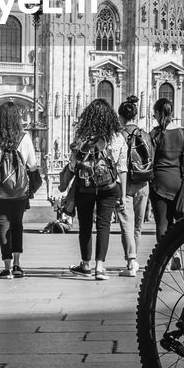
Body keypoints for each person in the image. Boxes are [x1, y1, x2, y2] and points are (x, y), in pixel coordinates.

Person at [64, 98, 128, 281]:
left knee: (85, 226)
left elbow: (72, 165)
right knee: (104, 225)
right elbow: (122, 167)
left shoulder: (82, 137)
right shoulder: (116, 137)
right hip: (109, 186)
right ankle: (100, 267)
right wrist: (123, 195)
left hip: (85, 187)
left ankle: (85, 264)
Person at [0, 100, 41, 278]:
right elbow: (32, 165)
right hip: (20, 191)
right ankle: (17, 265)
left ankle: (6, 267)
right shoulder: (25, 138)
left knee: (2, 225)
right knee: (17, 225)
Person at [148, 98, 184, 249]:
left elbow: (150, 159)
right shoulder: (183, 133)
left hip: (159, 182)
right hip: (177, 181)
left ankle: (164, 260)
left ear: (157, 113)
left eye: (154, 113)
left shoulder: (155, 133)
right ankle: (175, 253)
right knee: (174, 222)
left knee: (162, 222)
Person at [115, 96, 153, 277]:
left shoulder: (119, 135)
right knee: (137, 227)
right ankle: (134, 259)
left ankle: (131, 262)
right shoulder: (145, 134)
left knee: (126, 225)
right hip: (144, 184)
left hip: (125, 185)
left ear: (120, 117)